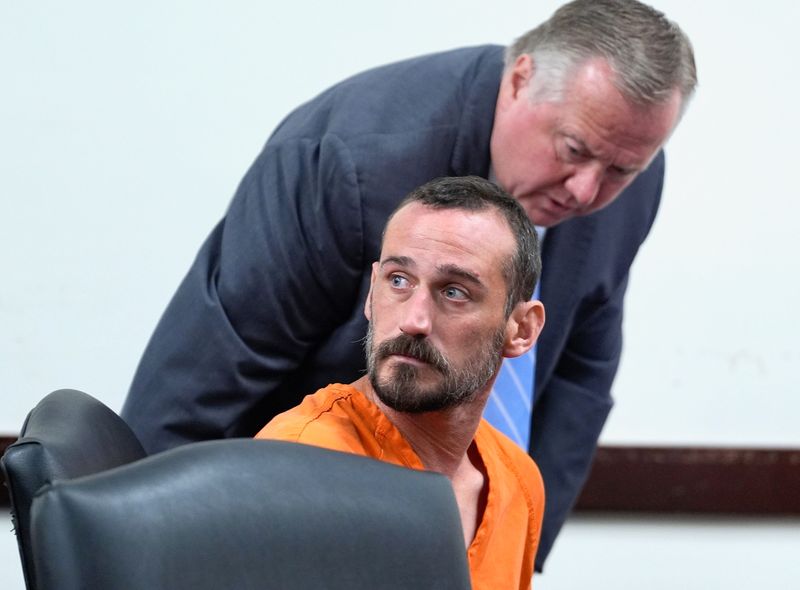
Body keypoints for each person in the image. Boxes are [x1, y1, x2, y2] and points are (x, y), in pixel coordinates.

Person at [122, 0, 697, 570]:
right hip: (282, 528)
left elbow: (580, 374)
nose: (585, 191)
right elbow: (205, 376)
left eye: (622, 169)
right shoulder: (349, 158)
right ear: (521, 80)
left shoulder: (630, 179)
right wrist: (137, 547)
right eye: (573, 149)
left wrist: (509, 550)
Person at [257, 176, 546, 589]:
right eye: (398, 280)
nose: (413, 320)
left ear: (521, 329)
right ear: (371, 293)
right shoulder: (302, 462)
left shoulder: (518, 481)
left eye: (455, 292)